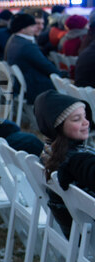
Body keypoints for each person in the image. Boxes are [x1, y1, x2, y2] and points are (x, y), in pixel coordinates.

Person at [35, 90, 92, 235]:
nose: (86, 122)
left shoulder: (49, 152)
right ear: (58, 127)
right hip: (88, 232)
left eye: (85, 117)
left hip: (77, 229)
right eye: (76, 119)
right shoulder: (73, 160)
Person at [4, 12, 57, 104]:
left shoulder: (15, 40)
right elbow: (46, 66)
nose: (36, 28)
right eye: (32, 26)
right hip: (33, 87)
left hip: (21, 85)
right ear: (23, 29)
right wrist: (61, 75)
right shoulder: (26, 45)